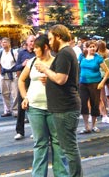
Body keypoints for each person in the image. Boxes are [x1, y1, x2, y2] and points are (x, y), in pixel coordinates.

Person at [35, 24, 83, 177]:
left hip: (65, 108)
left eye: (50, 39)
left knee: (69, 148)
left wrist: (45, 69)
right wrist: (49, 79)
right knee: (68, 146)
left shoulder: (64, 53)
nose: (48, 43)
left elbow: (61, 79)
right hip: (64, 107)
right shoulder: (67, 52)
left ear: (58, 36)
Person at [18, 35, 68, 177]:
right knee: (40, 143)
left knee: (58, 143)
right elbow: (21, 80)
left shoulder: (56, 62)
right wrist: (25, 97)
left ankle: (62, 174)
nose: (33, 51)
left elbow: (64, 82)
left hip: (54, 108)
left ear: (45, 47)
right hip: (35, 108)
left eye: (36, 48)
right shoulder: (32, 62)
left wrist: (51, 80)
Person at [78, 40, 109, 134]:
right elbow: (78, 67)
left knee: (95, 104)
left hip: (95, 83)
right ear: (87, 47)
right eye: (90, 46)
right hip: (83, 83)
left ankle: (94, 125)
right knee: (83, 104)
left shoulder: (98, 58)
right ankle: (86, 126)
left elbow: (107, 72)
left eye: (94, 46)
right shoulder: (82, 57)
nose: (92, 48)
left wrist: (102, 83)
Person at [15, 35, 36, 140]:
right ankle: (20, 131)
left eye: (34, 41)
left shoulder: (37, 53)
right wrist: (23, 64)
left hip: (34, 82)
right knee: (21, 107)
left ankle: (35, 130)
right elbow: (16, 67)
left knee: (33, 108)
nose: (33, 43)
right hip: (23, 82)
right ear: (27, 42)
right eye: (31, 41)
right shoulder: (22, 53)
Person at [0, 37, 18, 117]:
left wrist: (17, 73)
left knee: (15, 93)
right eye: (2, 42)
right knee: (4, 93)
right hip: (3, 75)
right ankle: (7, 110)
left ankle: (16, 111)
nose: (3, 44)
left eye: (5, 42)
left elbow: (18, 63)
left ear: (9, 43)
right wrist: (0, 74)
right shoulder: (0, 52)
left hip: (13, 74)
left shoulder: (14, 52)